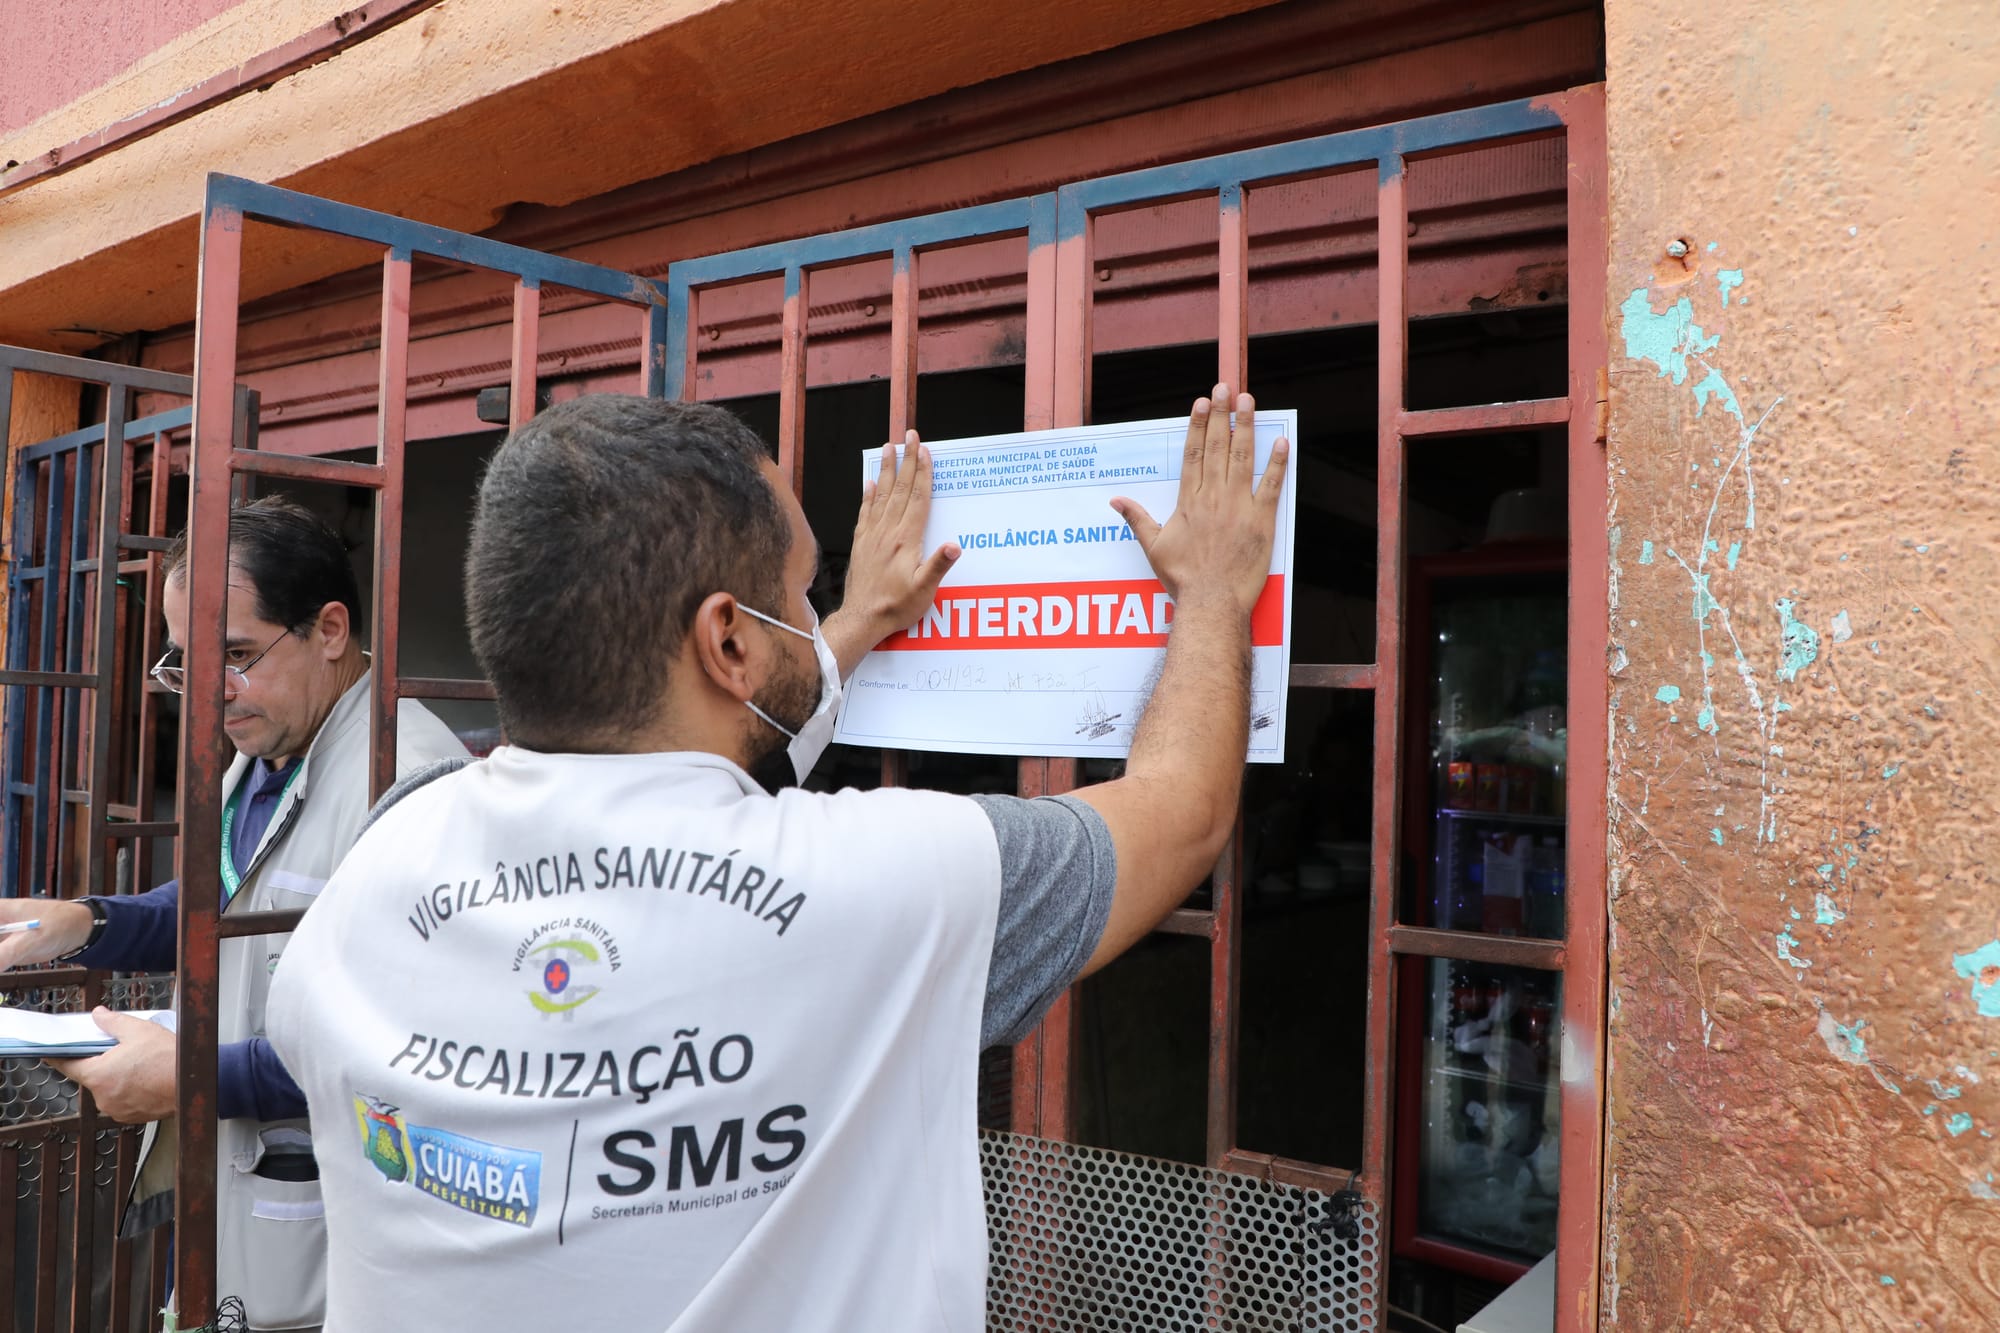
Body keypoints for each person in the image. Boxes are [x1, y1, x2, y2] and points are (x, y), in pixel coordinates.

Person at [266, 386, 1287, 1330]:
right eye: (803, 587)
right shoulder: (881, 884)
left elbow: (680, 768)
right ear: (729, 643)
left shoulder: (383, 857)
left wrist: (854, 626)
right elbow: (1180, 812)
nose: (812, 611)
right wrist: (1209, 592)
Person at [0, 497, 470, 1332]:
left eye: (238, 654)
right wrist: (83, 920)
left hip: (334, 1225)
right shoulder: (268, 750)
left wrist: (187, 1075)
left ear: (330, 629)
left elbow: (392, 1048)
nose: (211, 691)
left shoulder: (410, 778)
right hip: (235, 1201)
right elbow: (225, 898)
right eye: (186, 662)